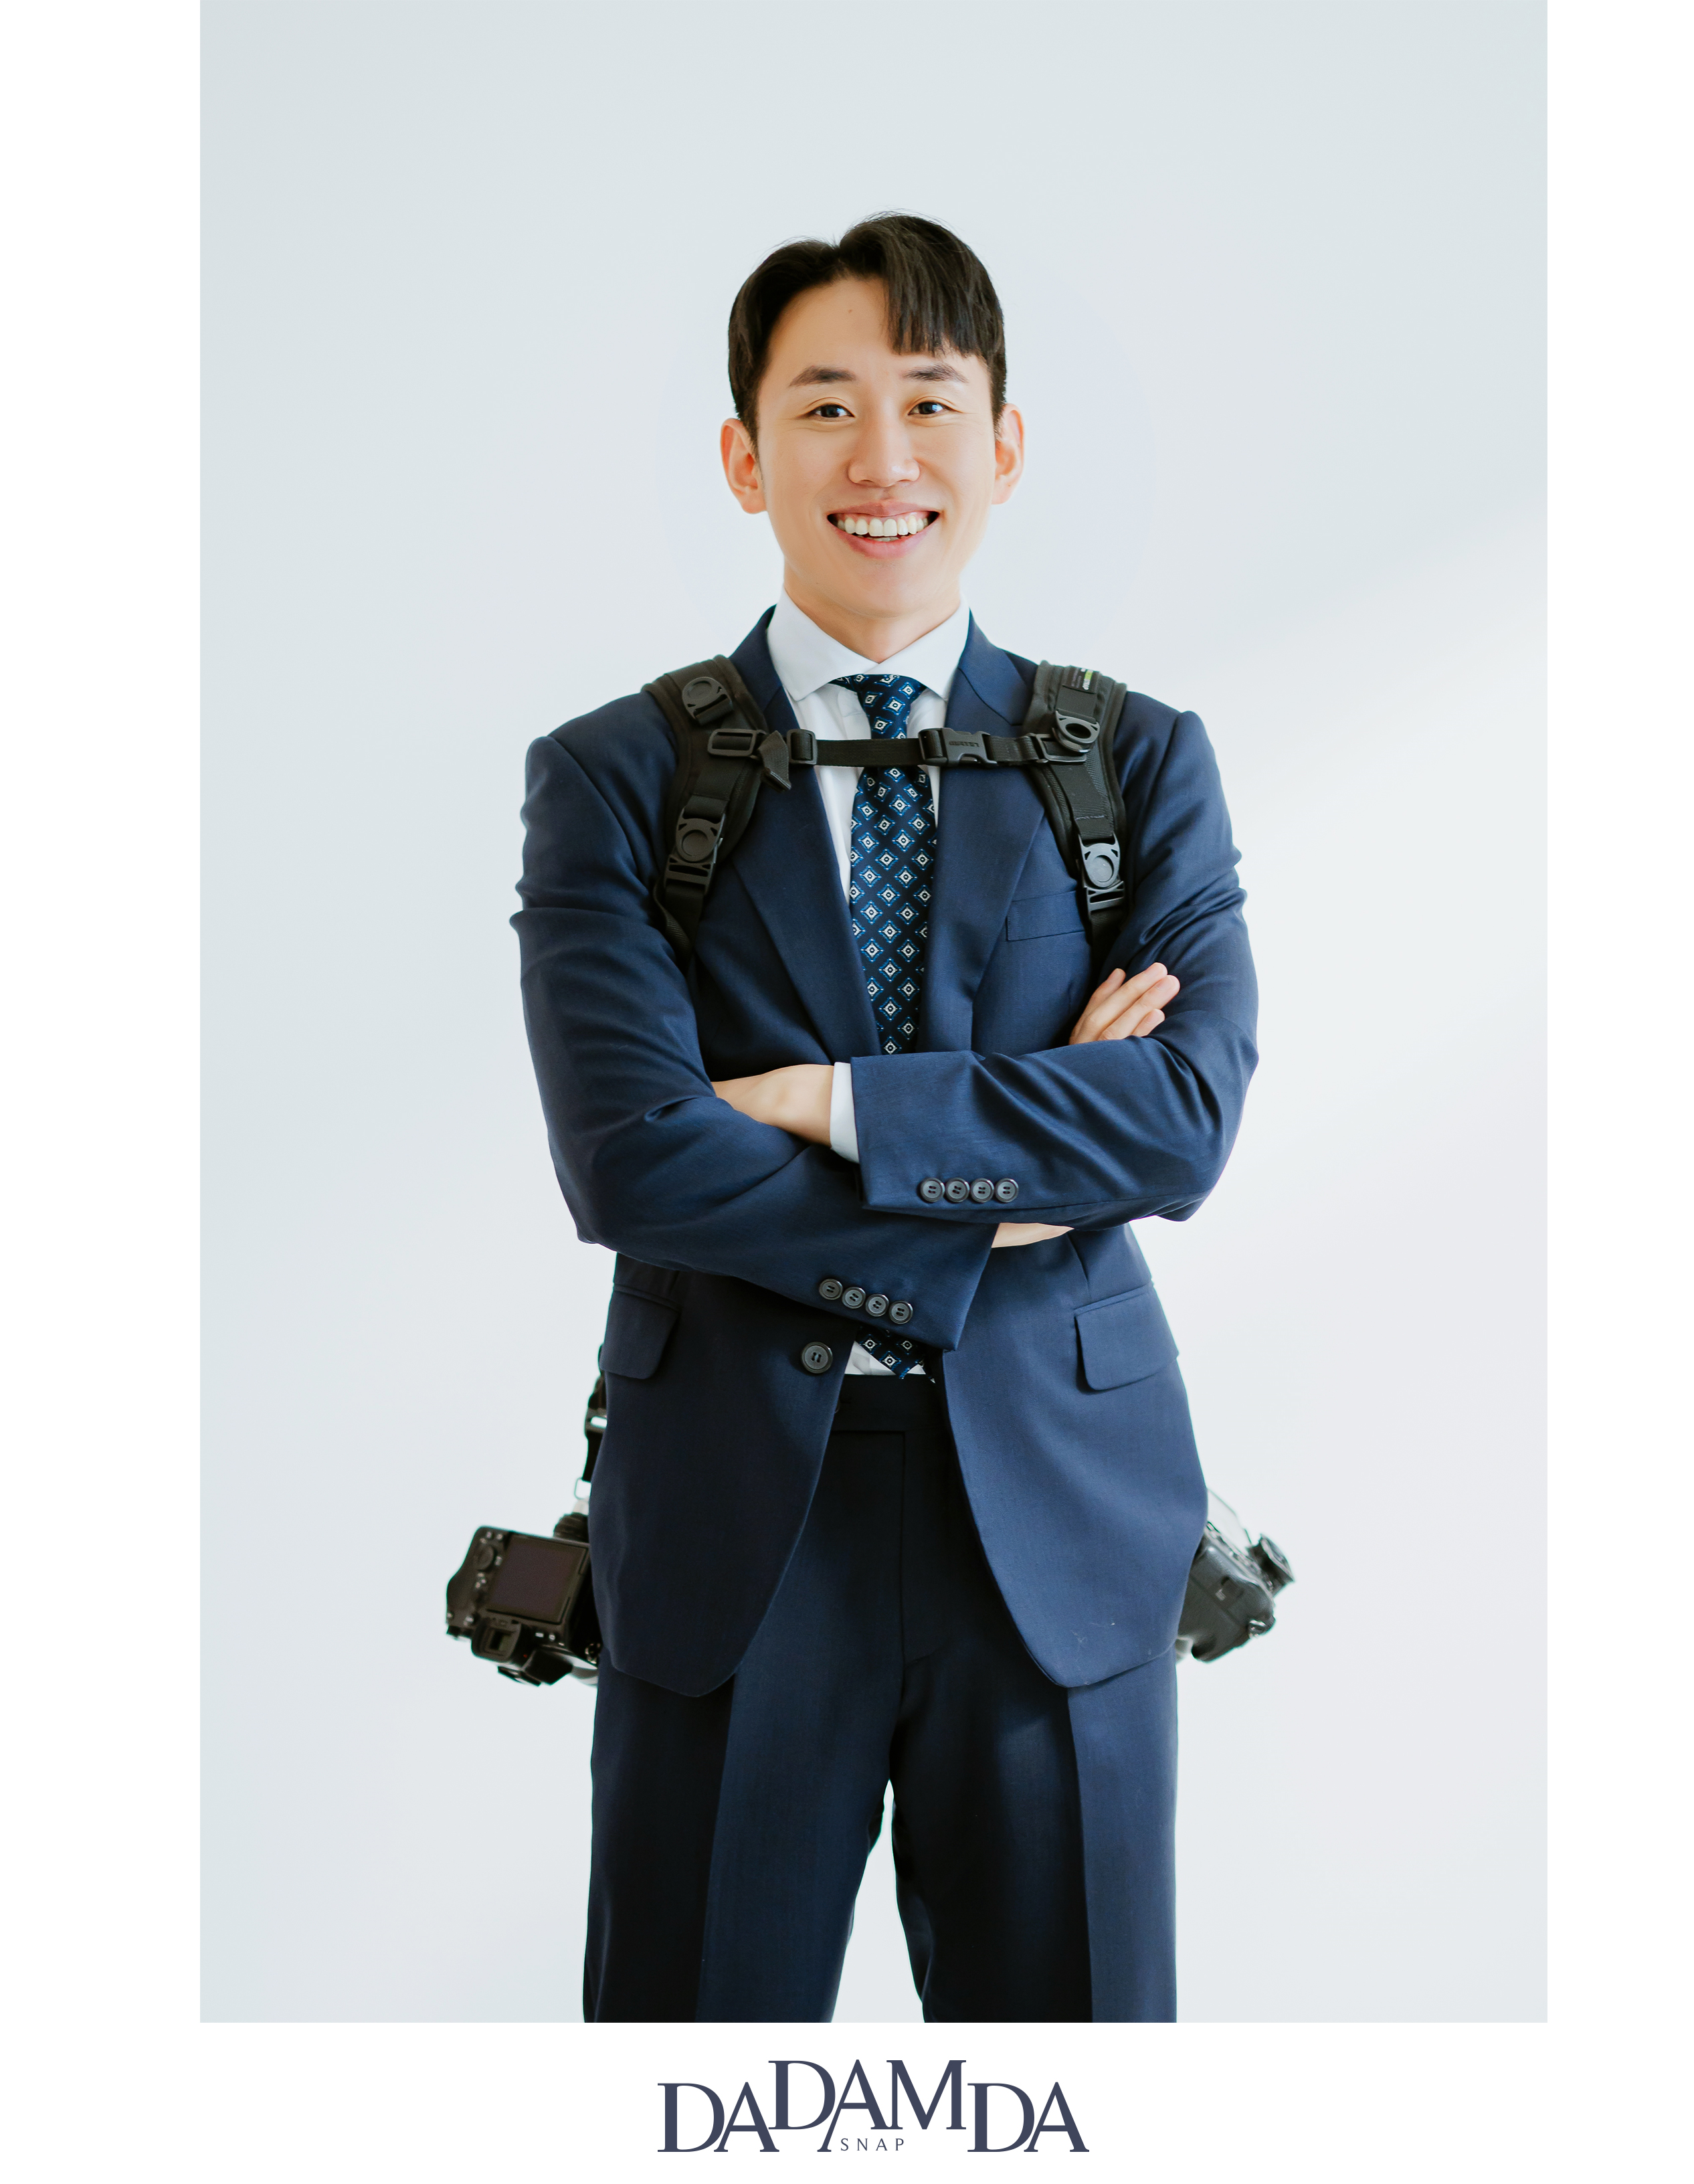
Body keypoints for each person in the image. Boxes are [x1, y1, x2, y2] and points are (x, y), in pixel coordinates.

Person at [512, 213, 1258, 2023]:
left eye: (930, 403)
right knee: (695, 2080)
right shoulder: (618, 775)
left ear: (1005, 442)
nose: (884, 458)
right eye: (827, 406)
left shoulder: (1131, 759)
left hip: (1061, 1510)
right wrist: (1004, 1184)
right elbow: (632, 1160)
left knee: (1074, 2093)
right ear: (744, 455)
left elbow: (1178, 1119)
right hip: (732, 1519)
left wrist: (838, 1106)